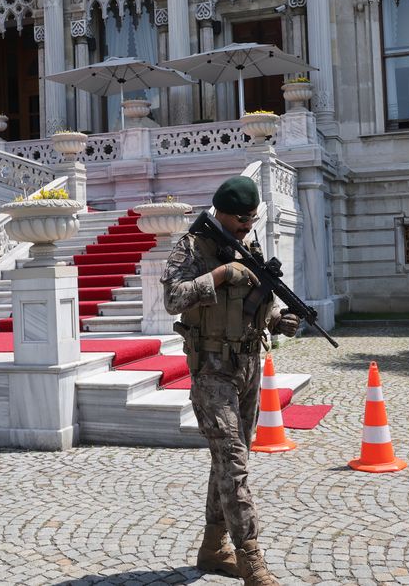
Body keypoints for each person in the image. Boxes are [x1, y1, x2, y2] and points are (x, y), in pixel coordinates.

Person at [162, 175, 300, 586]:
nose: (247, 226)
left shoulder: (248, 246)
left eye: (252, 219)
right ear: (220, 211)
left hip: (248, 365)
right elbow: (173, 297)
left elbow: (256, 301)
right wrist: (222, 274)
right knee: (233, 463)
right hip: (211, 368)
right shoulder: (191, 246)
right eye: (241, 219)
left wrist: (278, 320)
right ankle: (251, 559)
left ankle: (212, 546)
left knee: (230, 461)